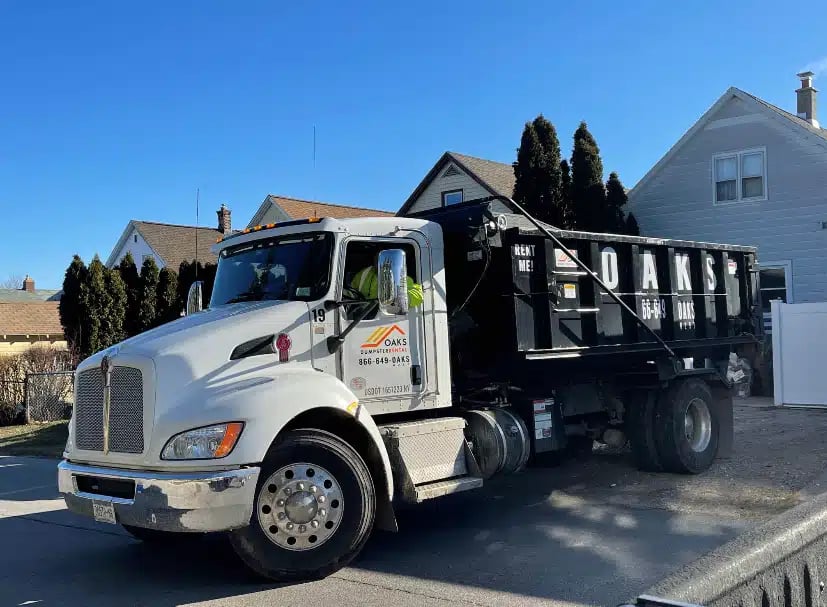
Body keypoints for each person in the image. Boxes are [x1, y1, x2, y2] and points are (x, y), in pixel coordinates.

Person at [351, 252, 423, 308]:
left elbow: (418, 295)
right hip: (362, 314)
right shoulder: (364, 273)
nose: (379, 261)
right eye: (377, 258)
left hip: (384, 317)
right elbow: (350, 292)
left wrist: (399, 298)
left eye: (382, 258)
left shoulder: (400, 276)